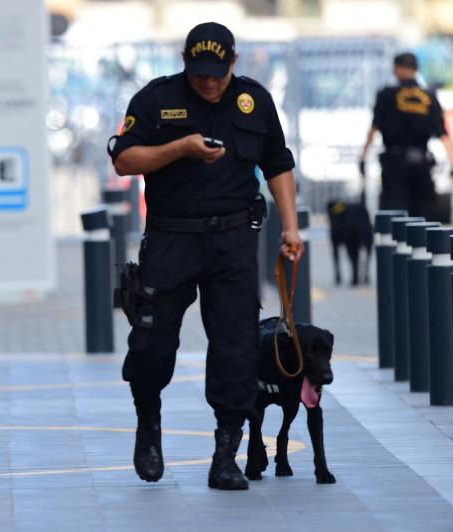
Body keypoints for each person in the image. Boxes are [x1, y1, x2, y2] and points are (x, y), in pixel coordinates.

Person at [107, 22, 303, 490]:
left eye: (217, 73)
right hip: (172, 238)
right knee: (152, 344)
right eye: (199, 74)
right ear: (184, 62)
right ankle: (149, 428)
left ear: (233, 63)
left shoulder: (253, 101)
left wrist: (291, 227)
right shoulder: (156, 99)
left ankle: (226, 454)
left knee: (236, 346)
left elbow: (277, 163)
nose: (209, 83)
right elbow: (123, 160)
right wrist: (181, 148)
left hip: (234, 241)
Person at [359, 52, 453, 220]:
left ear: (397, 69)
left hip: (395, 166)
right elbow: (443, 133)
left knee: (394, 220)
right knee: (422, 221)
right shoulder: (429, 96)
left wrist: (363, 156)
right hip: (421, 165)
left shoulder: (386, 95)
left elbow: (373, 129)